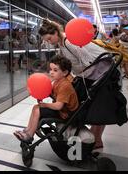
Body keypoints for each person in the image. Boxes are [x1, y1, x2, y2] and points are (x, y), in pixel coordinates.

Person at [37, 19, 108, 150]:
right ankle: (94, 138)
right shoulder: (62, 44)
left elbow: (88, 61)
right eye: (46, 40)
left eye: (49, 38)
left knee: (98, 109)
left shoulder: (69, 42)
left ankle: (96, 140)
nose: (48, 41)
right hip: (92, 76)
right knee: (93, 107)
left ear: (56, 32)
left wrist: (76, 78)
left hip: (102, 74)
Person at [13, 55, 78, 143]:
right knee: (36, 107)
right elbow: (52, 94)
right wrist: (42, 95)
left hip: (66, 114)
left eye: (55, 70)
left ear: (65, 72)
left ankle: (29, 136)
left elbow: (59, 106)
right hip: (62, 110)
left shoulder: (65, 85)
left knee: (38, 109)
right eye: (50, 69)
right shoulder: (57, 82)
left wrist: (45, 104)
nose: (51, 72)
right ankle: (27, 130)